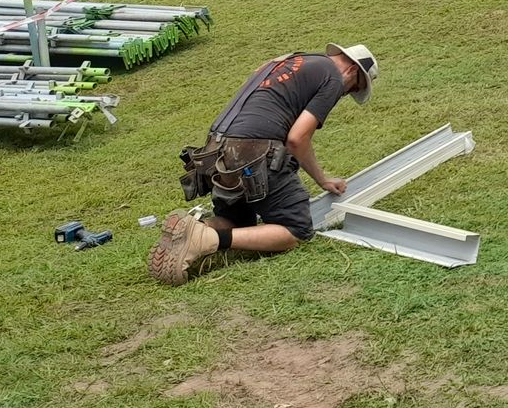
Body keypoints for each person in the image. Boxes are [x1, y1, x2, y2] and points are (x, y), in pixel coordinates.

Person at [149, 43, 378, 285]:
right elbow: (297, 138)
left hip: (217, 150)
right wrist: (314, 179)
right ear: (352, 71)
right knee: (296, 229)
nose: (345, 94)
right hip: (253, 151)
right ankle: (203, 239)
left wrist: (319, 178)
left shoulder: (289, 60)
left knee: (239, 223)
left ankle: (192, 231)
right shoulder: (332, 77)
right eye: (352, 89)